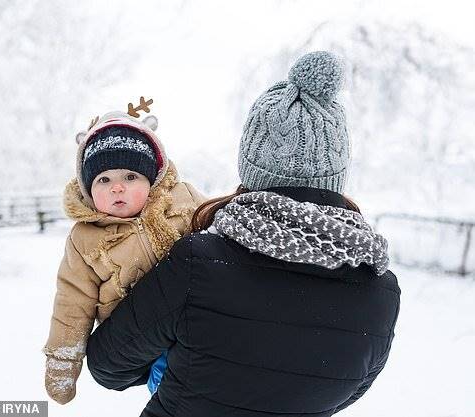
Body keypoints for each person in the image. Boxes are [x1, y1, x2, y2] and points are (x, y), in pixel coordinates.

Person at [86, 51, 401, 417]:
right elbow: (349, 392)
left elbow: (109, 365)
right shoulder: (382, 290)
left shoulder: (198, 262)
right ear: (336, 170)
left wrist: (174, 365)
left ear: (251, 164)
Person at [42, 100, 207, 404]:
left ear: (152, 178)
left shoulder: (183, 199)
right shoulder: (84, 239)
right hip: (141, 337)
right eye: (104, 180)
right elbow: (72, 302)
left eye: (130, 177)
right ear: (88, 188)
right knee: (175, 387)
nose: (117, 188)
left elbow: (220, 224)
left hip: (199, 319)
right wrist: (63, 362)